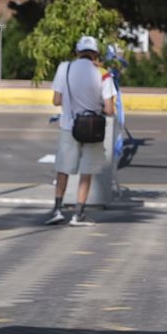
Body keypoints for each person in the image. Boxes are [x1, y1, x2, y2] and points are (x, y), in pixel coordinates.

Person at [45, 35, 117, 227]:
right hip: (92, 129)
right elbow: (110, 110)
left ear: (77, 52)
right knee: (87, 171)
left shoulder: (64, 68)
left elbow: (56, 100)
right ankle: (79, 214)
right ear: (95, 54)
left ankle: (57, 210)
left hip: (68, 127)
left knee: (63, 169)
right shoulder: (103, 74)